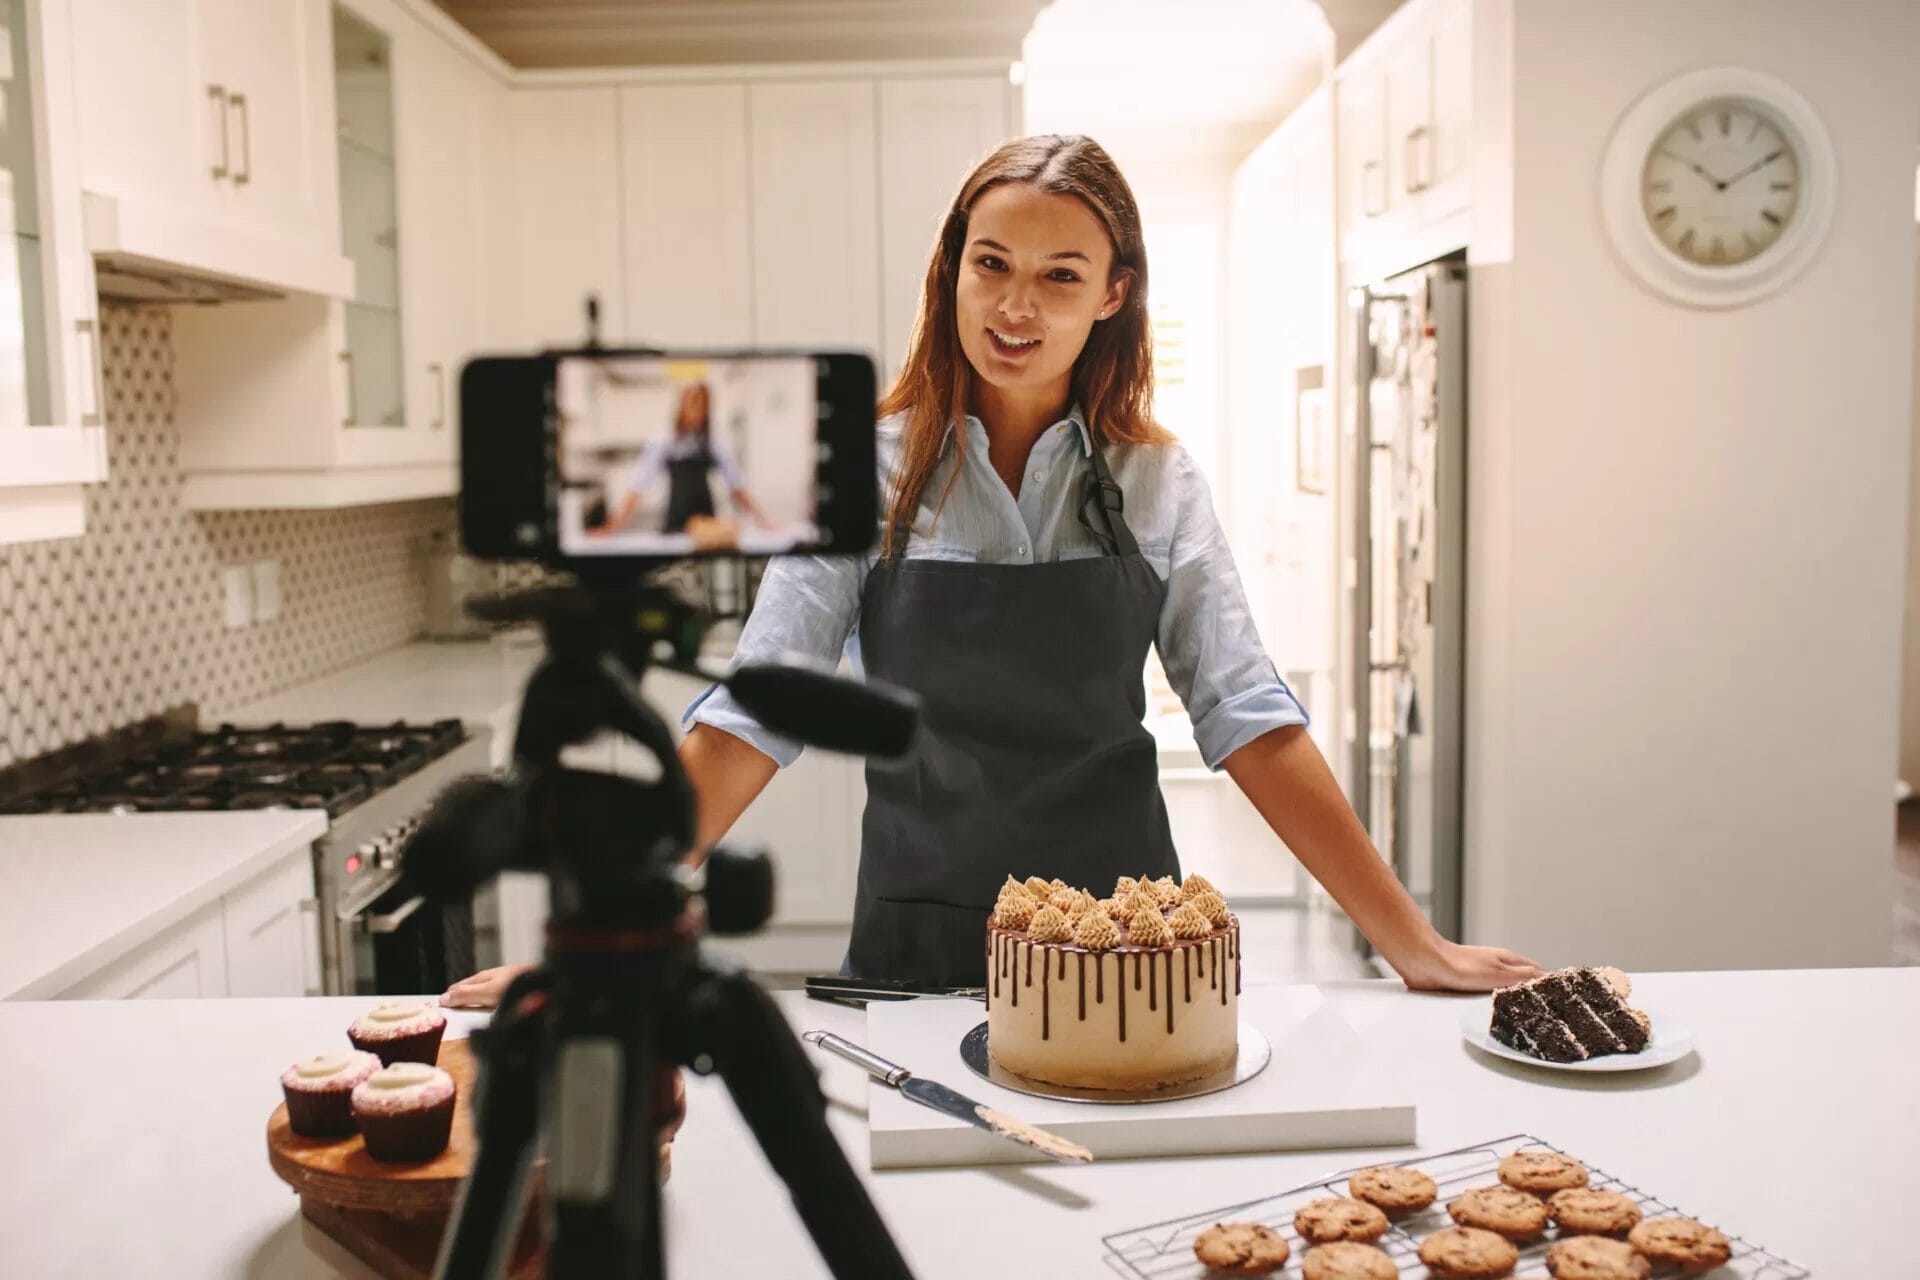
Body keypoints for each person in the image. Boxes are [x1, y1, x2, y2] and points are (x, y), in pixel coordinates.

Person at [444, 134, 1539, 1011]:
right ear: (953, 269)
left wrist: (1411, 940)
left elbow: (1249, 715)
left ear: (1113, 292)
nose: (1016, 308)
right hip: (923, 931)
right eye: (992, 266)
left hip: (1126, 945)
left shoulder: (1156, 483)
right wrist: (593, 935)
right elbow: (751, 713)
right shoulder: (860, 474)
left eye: (1060, 276)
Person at [586, 382, 768, 538]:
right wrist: (610, 528)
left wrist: (764, 522)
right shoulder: (664, 440)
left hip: (706, 526)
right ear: (682, 405)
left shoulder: (714, 442)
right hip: (675, 521)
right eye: (693, 402)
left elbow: (737, 485)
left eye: (702, 404)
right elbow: (638, 486)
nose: (697, 409)